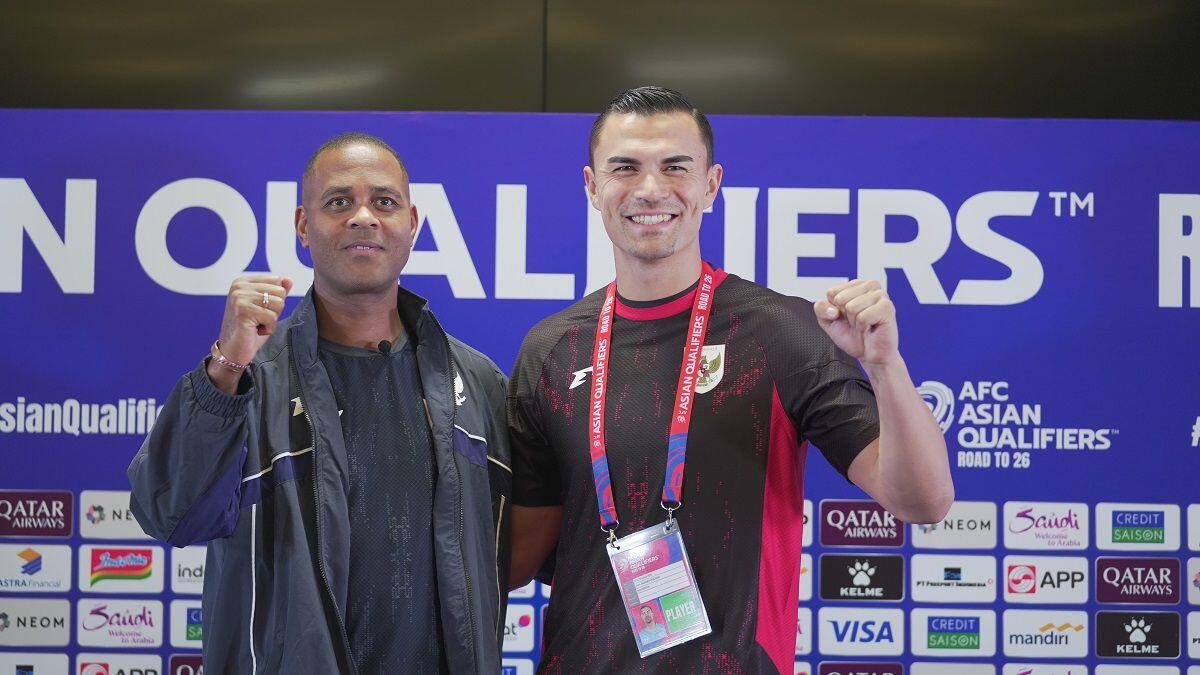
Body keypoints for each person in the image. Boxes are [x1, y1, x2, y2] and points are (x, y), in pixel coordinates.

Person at [507, 87, 953, 673]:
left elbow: (923, 500)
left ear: (712, 185)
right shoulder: (552, 348)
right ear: (592, 186)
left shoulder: (779, 331)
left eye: (675, 167)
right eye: (625, 167)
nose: (649, 189)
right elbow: (516, 557)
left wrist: (885, 366)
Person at [129, 132, 511, 674]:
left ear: (413, 225)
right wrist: (226, 365)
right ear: (304, 227)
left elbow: (514, 551)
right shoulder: (245, 379)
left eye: (384, 202)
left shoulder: (476, 383)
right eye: (338, 202)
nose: (363, 217)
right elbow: (171, 515)